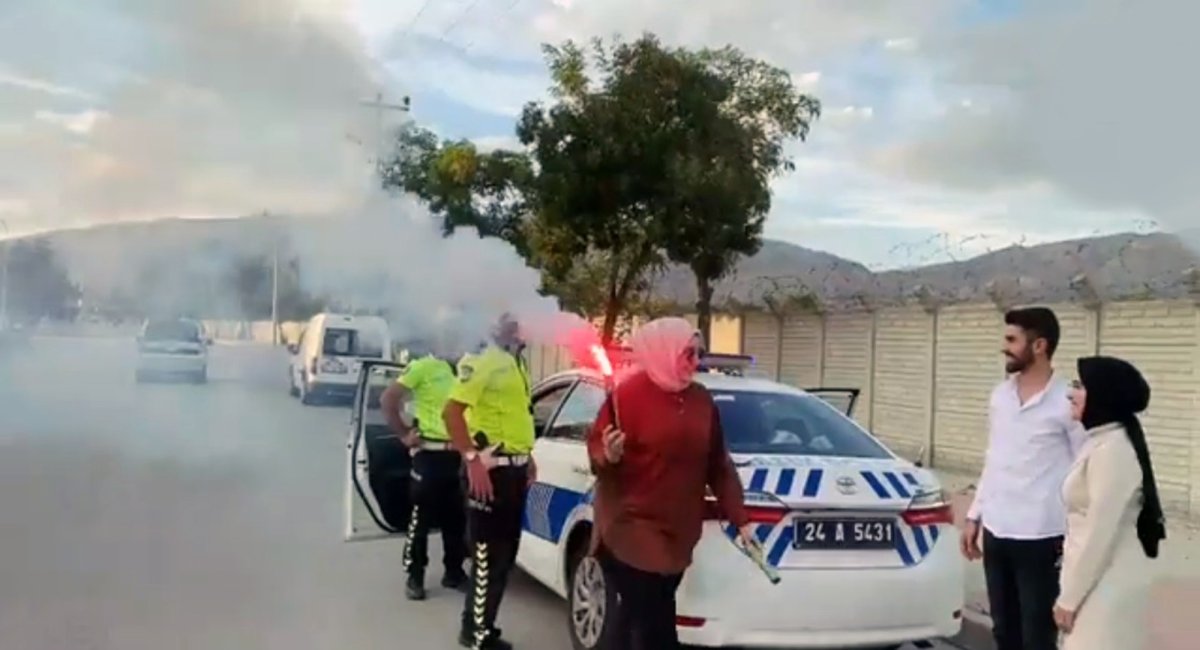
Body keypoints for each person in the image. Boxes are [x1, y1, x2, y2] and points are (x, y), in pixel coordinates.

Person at [585, 317, 755, 650]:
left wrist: (741, 518)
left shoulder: (701, 400)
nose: (695, 362)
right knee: (656, 625)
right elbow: (597, 453)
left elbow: (718, 464)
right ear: (663, 351)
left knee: (633, 618)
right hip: (631, 526)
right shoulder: (627, 397)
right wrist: (609, 454)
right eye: (687, 354)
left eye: (699, 354)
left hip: (678, 530)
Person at [960, 306, 1087, 650]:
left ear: (1039, 346)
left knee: (1037, 636)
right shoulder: (1000, 396)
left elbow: (1085, 466)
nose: (1004, 347)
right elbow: (994, 459)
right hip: (997, 530)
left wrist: (1080, 531)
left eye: (1012, 340)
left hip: (1042, 536)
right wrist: (974, 515)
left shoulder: (1068, 400)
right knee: (1004, 631)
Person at [1053, 355, 1165, 649]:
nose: (1070, 393)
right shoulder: (1099, 440)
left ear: (1102, 395)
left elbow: (1099, 532)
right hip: (1093, 583)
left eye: (1079, 386)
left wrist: (1069, 599)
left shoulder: (1114, 450)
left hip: (1106, 589)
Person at [443, 313, 536, 650]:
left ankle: (483, 624)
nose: (520, 326)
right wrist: (471, 459)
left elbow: (514, 415)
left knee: (504, 556)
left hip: (513, 471)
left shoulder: (516, 360)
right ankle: (474, 632)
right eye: (512, 320)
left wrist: (527, 457)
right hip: (490, 471)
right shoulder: (482, 358)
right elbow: (451, 412)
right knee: (487, 557)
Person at [380, 344, 468, 601]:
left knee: (457, 517)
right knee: (421, 519)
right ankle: (415, 575)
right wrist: (404, 434)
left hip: (459, 455)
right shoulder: (422, 367)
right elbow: (388, 399)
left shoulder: (468, 368)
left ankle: (454, 571)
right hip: (430, 454)